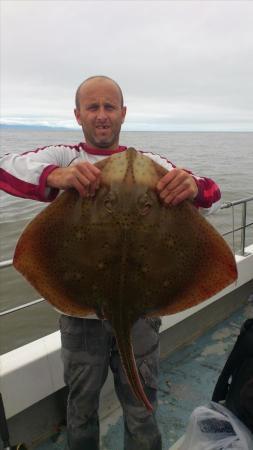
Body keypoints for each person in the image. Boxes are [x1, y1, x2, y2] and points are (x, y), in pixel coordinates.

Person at [0, 75, 221, 450]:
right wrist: (58, 176)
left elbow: (208, 190)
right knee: (81, 406)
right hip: (80, 313)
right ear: (78, 114)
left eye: (109, 107)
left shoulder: (150, 163)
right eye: (93, 107)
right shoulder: (65, 157)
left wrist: (193, 187)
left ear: (122, 114)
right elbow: (6, 167)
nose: (102, 115)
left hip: (142, 314)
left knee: (141, 408)